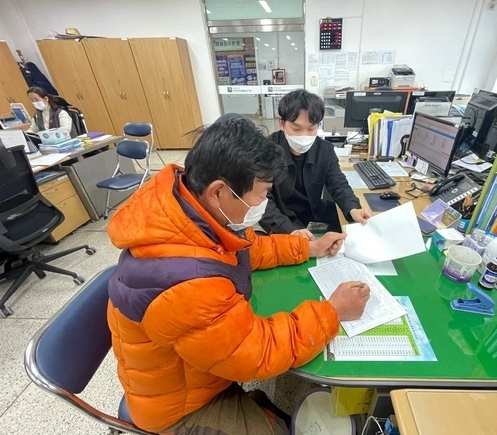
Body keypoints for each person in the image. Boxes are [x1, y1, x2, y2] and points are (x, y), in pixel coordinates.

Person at [106, 114, 371, 435]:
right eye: (261, 195)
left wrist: (309, 249)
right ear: (219, 191)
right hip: (179, 406)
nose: (263, 204)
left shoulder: (186, 209)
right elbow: (257, 354)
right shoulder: (189, 280)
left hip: (195, 370)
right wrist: (335, 310)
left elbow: (248, 248)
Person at [259, 89, 372, 239]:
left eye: (311, 128)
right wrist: (290, 230)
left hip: (315, 215)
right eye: (296, 128)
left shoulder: (324, 149)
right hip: (281, 220)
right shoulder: (264, 152)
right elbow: (261, 201)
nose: (304, 135)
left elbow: (338, 184)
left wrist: (353, 209)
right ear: (281, 123)